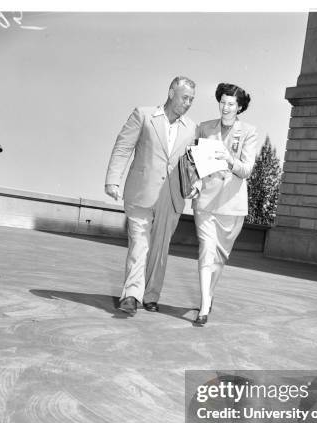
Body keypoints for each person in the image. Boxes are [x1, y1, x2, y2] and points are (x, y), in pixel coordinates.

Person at [105, 76, 196, 315]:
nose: (188, 103)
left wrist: (195, 184)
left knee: (159, 249)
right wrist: (113, 180)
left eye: (191, 100)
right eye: (185, 97)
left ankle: (151, 295)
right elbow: (123, 146)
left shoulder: (191, 128)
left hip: (172, 196)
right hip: (140, 191)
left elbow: (191, 163)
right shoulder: (143, 115)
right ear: (170, 92)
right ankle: (132, 295)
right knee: (140, 243)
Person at [192, 83, 257, 325]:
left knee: (219, 257)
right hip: (206, 202)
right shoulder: (204, 128)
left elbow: (247, 169)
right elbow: (194, 163)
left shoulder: (249, 132)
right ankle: (204, 306)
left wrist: (230, 160)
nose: (225, 107)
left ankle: (208, 296)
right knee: (206, 251)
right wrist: (196, 184)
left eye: (231, 104)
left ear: (239, 107)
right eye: (222, 102)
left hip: (232, 205)